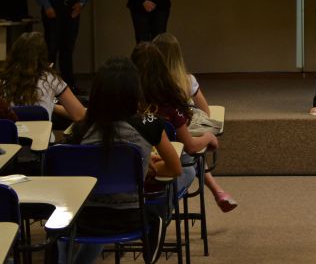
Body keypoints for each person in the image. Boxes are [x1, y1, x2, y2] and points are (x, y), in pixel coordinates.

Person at [60, 57, 182, 264]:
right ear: (135, 92)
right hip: (131, 219)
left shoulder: (79, 131)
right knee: (161, 207)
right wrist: (141, 168)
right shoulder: (150, 124)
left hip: (85, 219)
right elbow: (175, 169)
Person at [131, 42, 238, 212]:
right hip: (165, 167)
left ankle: (217, 191)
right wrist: (209, 137)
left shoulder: (124, 104)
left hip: (131, 170)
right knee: (190, 162)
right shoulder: (170, 103)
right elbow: (192, 143)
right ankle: (159, 211)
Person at [0, 32, 85, 125]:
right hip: (41, 134)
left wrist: (52, 106)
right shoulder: (50, 78)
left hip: (12, 134)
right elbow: (80, 115)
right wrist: (51, 105)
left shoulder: (3, 80)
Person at [152, 32, 209, 115]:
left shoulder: (146, 80)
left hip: (155, 122)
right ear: (178, 55)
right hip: (182, 122)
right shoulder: (188, 80)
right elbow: (206, 112)